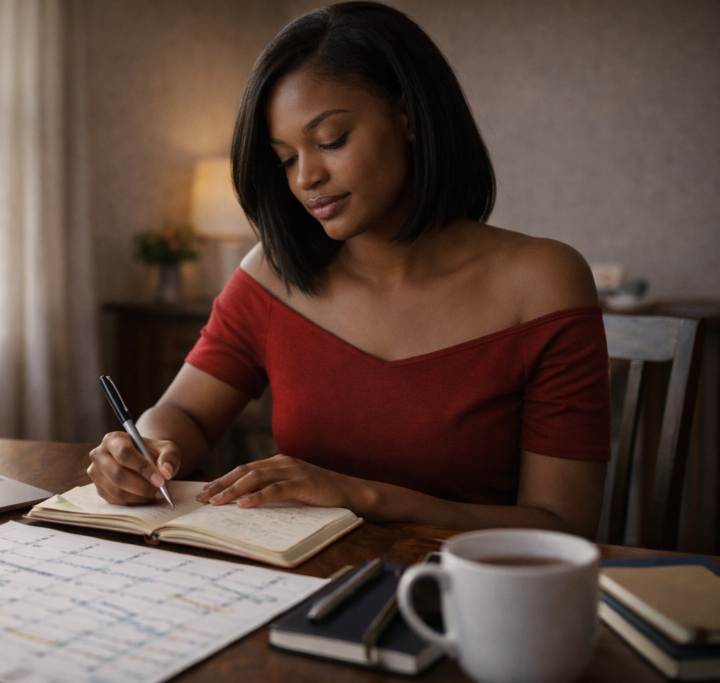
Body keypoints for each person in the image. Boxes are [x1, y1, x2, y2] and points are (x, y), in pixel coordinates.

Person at [89, 1, 611, 539]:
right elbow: (184, 414)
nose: (306, 178)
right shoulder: (273, 276)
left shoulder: (542, 281)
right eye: (286, 158)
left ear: (408, 117)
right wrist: (145, 448)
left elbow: (563, 525)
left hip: (463, 597)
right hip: (298, 586)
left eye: (331, 141)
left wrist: (362, 496)